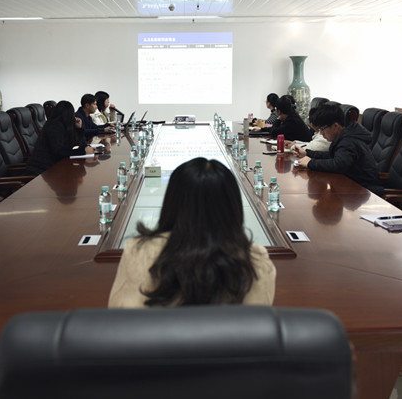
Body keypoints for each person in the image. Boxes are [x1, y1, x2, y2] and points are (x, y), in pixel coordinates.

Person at [108, 157, 276, 307]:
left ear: (172, 202)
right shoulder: (256, 259)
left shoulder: (138, 251)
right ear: (233, 205)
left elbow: (119, 318)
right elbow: (259, 321)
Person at [292, 104, 383, 195]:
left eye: (322, 129)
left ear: (335, 126)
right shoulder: (343, 136)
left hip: (364, 190)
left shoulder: (349, 141)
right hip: (350, 186)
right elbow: (331, 155)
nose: (321, 133)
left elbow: (338, 165)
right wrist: (307, 153)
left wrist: (310, 163)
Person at [26, 101, 93, 175]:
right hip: (41, 171)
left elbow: (80, 144)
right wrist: (83, 151)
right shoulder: (54, 126)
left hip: (52, 167)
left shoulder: (63, 126)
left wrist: (78, 129)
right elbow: (59, 151)